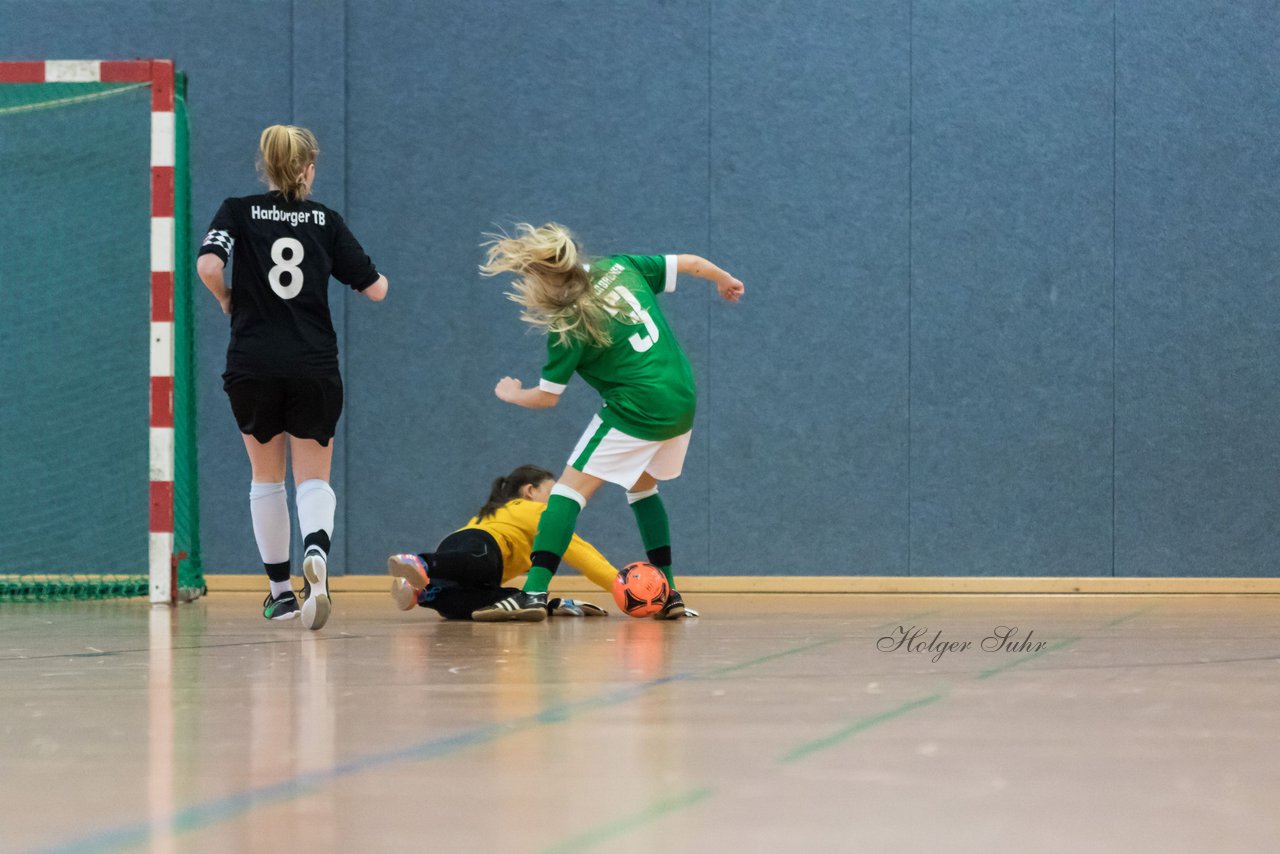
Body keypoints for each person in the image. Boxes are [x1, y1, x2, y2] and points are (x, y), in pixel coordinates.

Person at [469, 223, 743, 622]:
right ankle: (668, 593)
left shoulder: (568, 322)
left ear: (544, 277)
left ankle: (532, 592)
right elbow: (692, 262)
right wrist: (726, 280)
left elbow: (547, 397)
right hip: (681, 396)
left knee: (566, 494)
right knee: (642, 486)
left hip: (638, 405)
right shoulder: (621, 266)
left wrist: (511, 394)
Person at [196, 124, 388, 630]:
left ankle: (280, 592)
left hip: (253, 362)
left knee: (265, 478)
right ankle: (317, 555)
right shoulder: (325, 220)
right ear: (309, 169)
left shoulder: (237, 209)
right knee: (313, 478)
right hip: (313, 363)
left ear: (267, 165)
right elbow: (376, 290)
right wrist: (369, 273)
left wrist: (226, 298)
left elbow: (209, 264)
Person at [387, 465, 614, 619]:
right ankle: (421, 563)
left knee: (499, 600)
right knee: (481, 563)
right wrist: (619, 585)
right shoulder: (533, 509)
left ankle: (427, 594)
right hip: (480, 547)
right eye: (552, 492)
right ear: (530, 491)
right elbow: (582, 553)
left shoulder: (492, 512)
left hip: (458, 557)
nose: (556, 501)